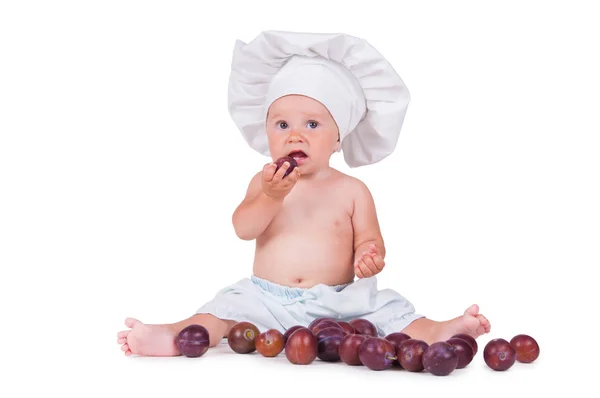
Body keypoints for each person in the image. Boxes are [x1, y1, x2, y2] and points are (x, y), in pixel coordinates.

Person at [117, 31, 490, 357]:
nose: (295, 135)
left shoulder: (353, 190)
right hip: (265, 299)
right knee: (219, 311)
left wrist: (369, 256)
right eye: (282, 124)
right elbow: (243, 228)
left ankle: (440, 330)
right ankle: (170, 336)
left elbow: (371, 239)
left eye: (312, 124)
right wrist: (270, 196)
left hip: (340, 303)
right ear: (267, 133)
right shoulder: (265, 182)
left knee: (391, 309)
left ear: (339, 135)